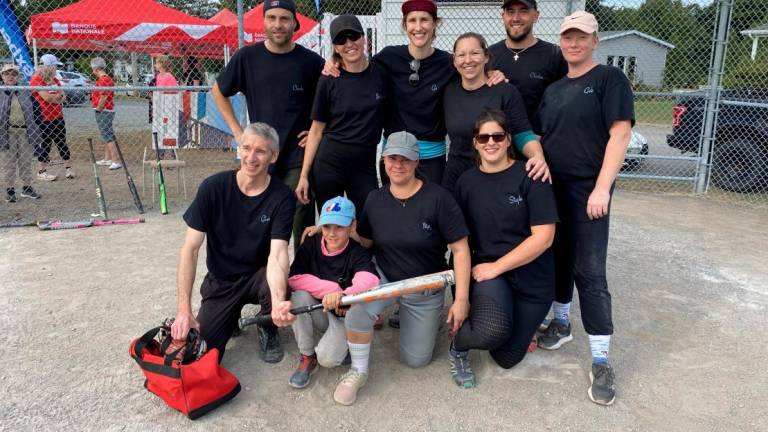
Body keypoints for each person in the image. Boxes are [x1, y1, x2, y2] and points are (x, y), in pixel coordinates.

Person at [533, 11, 634, 406]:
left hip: (589, 191)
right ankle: (561, 323)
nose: (574, 43)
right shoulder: (555, 89)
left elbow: (620, 133)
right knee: (558, 258)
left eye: (582, 37)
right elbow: (539, 136)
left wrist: (602, 188)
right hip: (552, 190)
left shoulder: (610, 79)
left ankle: (601, 359)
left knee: (589, 270)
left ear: (596, 40)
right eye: (568, 37)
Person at [328, 131, 471, 406]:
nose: (398, 165)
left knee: (416, 360)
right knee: (357, 310)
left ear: (417, 162)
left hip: (423, 285)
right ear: (383, 159)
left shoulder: (439, 198)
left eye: (405, 159)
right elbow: (367, 240)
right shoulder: (374, 199)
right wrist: (332, 232)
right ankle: (358, 370)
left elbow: (461, 249)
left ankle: (412, 317)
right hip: (385, 277)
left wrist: (461, 299)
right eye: (392, 158)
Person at [170, 122, 297, 363]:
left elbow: (278, 254)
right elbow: (190, 249)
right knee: (202, 352)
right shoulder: (213, 188)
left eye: (260, 151)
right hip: (223, 280)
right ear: (238, 149)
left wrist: (279, 301)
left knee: (279, 287)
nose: (251, 157)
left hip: (259, 276)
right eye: (246, 148)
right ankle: (229, 315)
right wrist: (183, 311)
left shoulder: (282, 197)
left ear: (274, 156)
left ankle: (267, 324)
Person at [449, 108, 557, 389]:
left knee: (507, 357)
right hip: (489, 274)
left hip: (532, 277)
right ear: (474, 142)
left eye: (497, 136)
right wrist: (464, 293)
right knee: (490, 332)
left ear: (509, 140)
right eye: (483, 138)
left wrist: (499, 265)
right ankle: (459, 344)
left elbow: (544, 237)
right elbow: (459, 242)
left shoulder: (531, 174)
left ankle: (517, 327)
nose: (490, 143)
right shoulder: (466, 183)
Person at [212, 0, 324, 253]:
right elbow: (218, 91)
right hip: (260, 155)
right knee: (261, 219)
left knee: (299, 218)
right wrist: (239, 133)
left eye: (284, 19)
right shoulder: (247, 58)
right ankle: (262, 280)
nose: (278, 25)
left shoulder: (311, 62)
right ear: (263, 21)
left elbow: (332, 102)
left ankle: (304, 275)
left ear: (294, 23)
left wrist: (320, 132)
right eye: (271, 18)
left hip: (298, 157)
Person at [295, 14, 387, 216]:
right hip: (329, 164)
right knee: (333, 226)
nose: (349, 44)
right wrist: (304, 175)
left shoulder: (380, 74)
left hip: (364, 165)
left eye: (353, 36)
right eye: (340, 40)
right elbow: (316, 130)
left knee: (367, 224)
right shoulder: (329, 79)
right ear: (335, 47)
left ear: (364, 39)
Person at [287, 196, 379, 389]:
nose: (332, 233)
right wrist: (331, 289)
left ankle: (345, 347)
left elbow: (371, 278)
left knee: (327, 359)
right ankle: (306, 355)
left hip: (342, 319)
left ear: (352, 225)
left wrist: (344, 295)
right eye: (327, 226)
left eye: (340, 227)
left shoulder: (356, 251)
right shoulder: (312, 244)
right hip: (321, 310)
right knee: (299, 297)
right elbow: (294, 278)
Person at [442, 32, 549, 194]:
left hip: (495, 173)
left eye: (475, 53)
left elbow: (522, 134)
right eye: (461, 55)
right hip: (457, 175)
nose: (468, 60)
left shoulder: (505, 92)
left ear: (486, 57)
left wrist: (537, 155)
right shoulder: (449, 92)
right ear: (455, 61)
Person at [489, 0, 568, 121]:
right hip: (496, 137)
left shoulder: (555, 55)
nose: (516, 18)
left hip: (539, 136)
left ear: (535, 16)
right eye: (510, 11)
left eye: (523, 11)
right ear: (503, 17)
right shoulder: (489, 55)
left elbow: (566, 101)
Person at [1, 64, 41, 202]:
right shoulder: (1, 92)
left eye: (13, 74)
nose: (10, 76)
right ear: (2, 76)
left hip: (25, 131)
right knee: (9, 162)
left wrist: (37, 128)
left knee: (26, 161)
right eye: (7, 74)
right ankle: (10, 190)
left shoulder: (25, 91)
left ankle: (27, 188)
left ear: (18, 76)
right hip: (8, 132)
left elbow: (37, 111)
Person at [30, 54, 73, 181]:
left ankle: (68, 169)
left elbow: (64, 97)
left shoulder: (55, 80)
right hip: (44, 118)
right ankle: (41, 171)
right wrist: (57, 98)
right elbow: (46, 98)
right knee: (45, 144)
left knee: (62, 143)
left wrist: (56, 99)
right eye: (54, 66)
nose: (55, 69)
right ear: (47, 66)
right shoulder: (37, 79)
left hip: (58, 116)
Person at [90, 57, 121, 171]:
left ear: (96, 69)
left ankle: (115, 160)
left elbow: (104, 96)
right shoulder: (103, 79)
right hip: (105, 110)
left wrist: (98, 108)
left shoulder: (104, 79)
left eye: (93, 68)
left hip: (104, 110)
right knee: (106, 134)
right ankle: (107, 158)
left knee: (107, 135)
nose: (92, 71)